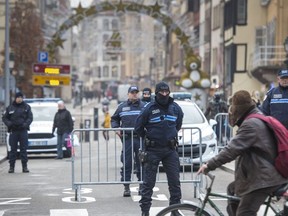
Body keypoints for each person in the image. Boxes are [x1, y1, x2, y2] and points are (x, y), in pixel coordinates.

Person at [197, 90, 287, 216]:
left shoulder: (251, 124)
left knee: (245, 212)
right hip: (262, 174)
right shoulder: (255, 117)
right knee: (232, 189)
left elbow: (231, 150)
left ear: (238, 109)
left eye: (232, 108)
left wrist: (209, 165)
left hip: (264, 179)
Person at [135, 81, 184, 216]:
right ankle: (145, 211)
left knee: (175, 182)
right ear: (156, 93)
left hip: (170, 150)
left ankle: (174, 209)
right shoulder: (148, 108)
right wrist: (149, 138)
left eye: (166, 92)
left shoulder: (175, 108)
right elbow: (138, 128)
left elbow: (177, 125)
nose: (164, 94)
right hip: (153, 150)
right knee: (148, 183)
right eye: (161, 92)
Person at [111, 85, 146, 197]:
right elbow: (114, 119)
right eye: (132, 92)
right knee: (127, 163)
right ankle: (126, 187)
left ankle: (142, 185)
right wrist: (116, 128)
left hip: (140, 138)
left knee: (142, 162)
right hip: (127, 139)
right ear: (128, 94)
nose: (134, 94)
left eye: (136, 92)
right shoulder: (122, 107)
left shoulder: (145, 106)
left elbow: (150, 119)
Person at [2, 92, 33, 173]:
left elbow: (30, 117)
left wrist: (25, 124)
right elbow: (5, 118)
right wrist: (9, 124)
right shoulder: (10, 107)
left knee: (24, 149)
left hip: (23, 131)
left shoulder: (26, 107)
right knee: (13, 150)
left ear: (22, 98)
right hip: (13, 131)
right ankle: (11, 167)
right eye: (18, 97)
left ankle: (25, 167)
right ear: (15, 98)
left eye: (20, 97)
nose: (19, 99)